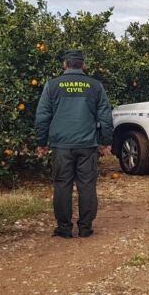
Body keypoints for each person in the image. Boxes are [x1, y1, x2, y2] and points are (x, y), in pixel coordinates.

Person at [35, 50, 113, 238]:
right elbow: (105, 117)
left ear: (65, 65)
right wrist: (105, 142)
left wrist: (41, 142)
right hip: (87, 144)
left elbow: (42, 116)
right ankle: (85, 228)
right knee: (87, 185)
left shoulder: (52, 86)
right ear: (83, 65)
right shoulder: (95, 86)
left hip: (61, 145)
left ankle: (64, 228)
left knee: (62, 185)